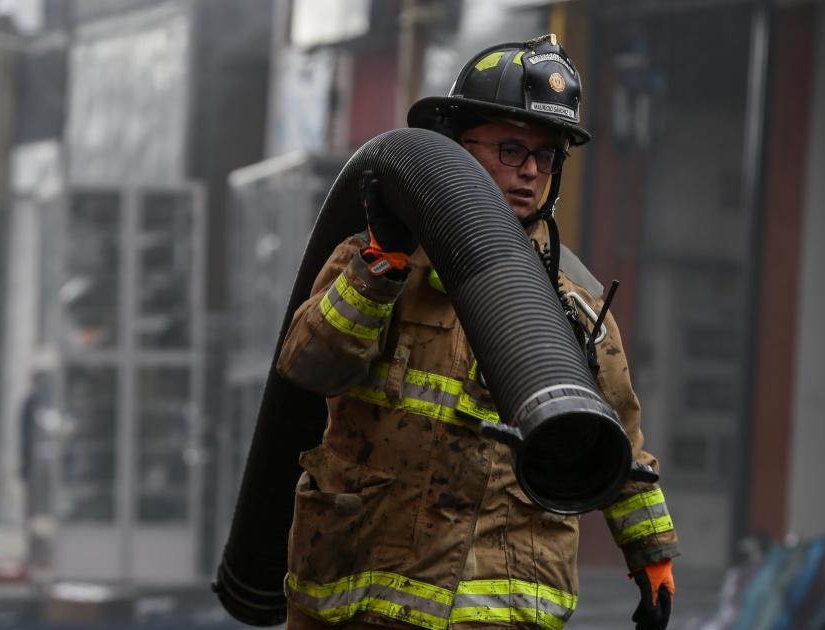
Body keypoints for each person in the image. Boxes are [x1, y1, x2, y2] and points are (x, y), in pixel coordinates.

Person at [278, 34, 679, 630]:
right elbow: (309, 365)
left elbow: (617, 437)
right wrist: (381, 268)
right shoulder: (379, 264)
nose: (530, 172)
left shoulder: (573, 305)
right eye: (511, 149)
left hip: (500, 612)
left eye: (546, 157)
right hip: (364, 604)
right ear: (454, 151)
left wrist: (652, 555)